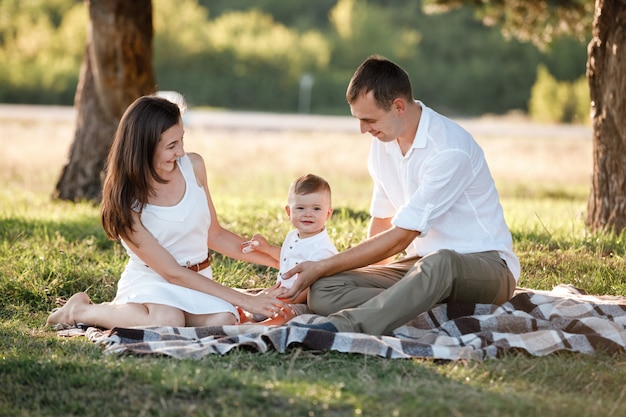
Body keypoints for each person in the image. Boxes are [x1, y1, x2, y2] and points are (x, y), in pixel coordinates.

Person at [281, 55, 521, 336]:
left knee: (440, 261)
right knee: (323, 289)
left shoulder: (448, 149)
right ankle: (415, 303)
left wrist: (322, 265)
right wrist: (356, 277)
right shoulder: (383, 143)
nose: (362, 129)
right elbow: (382, 220)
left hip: (487, 268)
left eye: (369, 119)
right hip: (421, 267)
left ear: (398, 107)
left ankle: (345, 325)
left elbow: (401, 236)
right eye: (358, 120)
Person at [47, 95, 291, 329]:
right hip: (153, 282)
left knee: (223, 320)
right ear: (143, 148)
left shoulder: (193, 167)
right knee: (167, 320)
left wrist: (278, 261)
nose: (181, 152)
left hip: (199, 280)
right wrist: (246, 301)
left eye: (182, 140)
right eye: (172, 145)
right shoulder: (125, 200)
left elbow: (214, 235)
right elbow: (172, 272)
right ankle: (80, 310)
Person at [240, 173, 338, 325]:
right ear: (288, 211)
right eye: (300, 208)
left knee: (286, 311)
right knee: (260, 301)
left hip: (307, 301)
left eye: (316, 209)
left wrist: (285, 298)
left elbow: (311, 289)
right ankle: (251, 317)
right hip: (286, 293)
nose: (308, 214)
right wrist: (267, 248)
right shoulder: (294, 235)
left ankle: (264, 325)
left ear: (328, 214)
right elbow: (288, 256)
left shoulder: (322, 249)